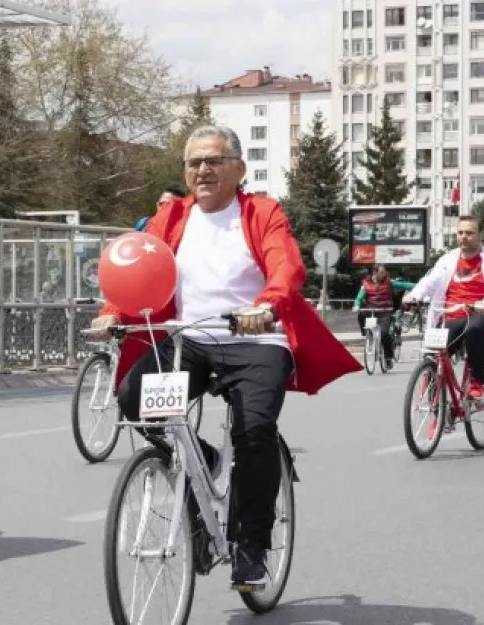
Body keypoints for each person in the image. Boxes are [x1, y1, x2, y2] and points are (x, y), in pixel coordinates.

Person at [90, 125, 361, 588]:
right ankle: (208, 462)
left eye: (213, 161)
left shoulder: (261, 212)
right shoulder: (172, 217)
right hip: (190, 340)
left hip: (256, 341)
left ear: (238, 169)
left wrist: (268, 305)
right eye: (194, 163)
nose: (202, 170)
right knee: (135, 398)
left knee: (254, 431)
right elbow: (141, 268)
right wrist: (113, 312)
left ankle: (251, 545)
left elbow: (286, 265)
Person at [403, 216, 484, 408]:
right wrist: (413, 296)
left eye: (469, 233)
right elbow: (430, 281)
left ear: (480, 235)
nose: (464, 237)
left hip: (482, 316)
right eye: (460, 233)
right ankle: (438, 406)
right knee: (435, 354)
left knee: (474, 330)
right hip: (451, 316)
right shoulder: (447, 259)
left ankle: (477, 381)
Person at [352, 264, 414, 368]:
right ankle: (367, 334)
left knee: (385, 334)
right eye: (381, 272)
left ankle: (388, 358)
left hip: (385, 312)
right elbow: (359, 297)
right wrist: (357, 305)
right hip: (371, 310)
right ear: (374, 273)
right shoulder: (366, 283)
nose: (384, 274)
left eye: (384, 272)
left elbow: (406, 285)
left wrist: (422, 285)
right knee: (361, 315)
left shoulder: (389, 282)